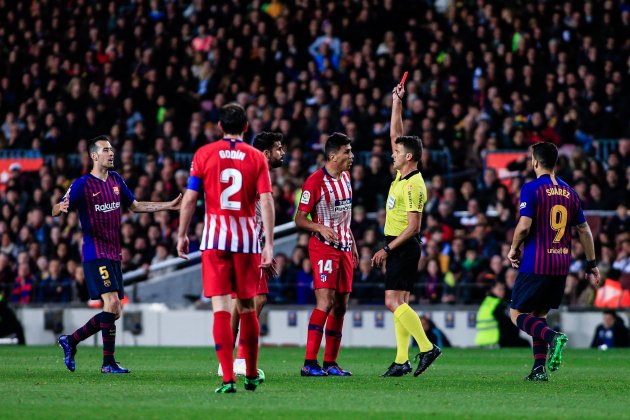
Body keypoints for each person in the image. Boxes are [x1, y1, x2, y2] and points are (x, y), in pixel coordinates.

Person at [55, 135, 182, 374]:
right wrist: (59, 208)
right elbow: (55, 207)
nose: (111, 153)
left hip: (114, 253)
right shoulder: (82, 184)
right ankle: (108, 364)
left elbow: (135, 206)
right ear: (94, 156)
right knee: (111, 303)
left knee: (115, 311)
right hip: (95, 252)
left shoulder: (115, 180)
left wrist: (167, 205)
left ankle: (70, 341)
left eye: (112, 149)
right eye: (105, 150)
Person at [176, 104, 274, 394]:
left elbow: (191, 197)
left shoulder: (204, 154)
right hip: (245, 242)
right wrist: (268, 242)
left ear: (219, 125)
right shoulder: (257, 157)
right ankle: (252, 374)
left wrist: (182, 234)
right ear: (246, 127)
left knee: (220, 307)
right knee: (247, 307)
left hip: (215, 241)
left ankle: (228, 378)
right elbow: (266, 201)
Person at [507, 141, 601, 381]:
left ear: (535, 162)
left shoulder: (531, 189)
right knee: (538, 315)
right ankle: (539, 370)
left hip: (536, 263)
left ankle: (552, 337)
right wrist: (591, 264)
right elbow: (585, 231)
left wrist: (514, 248)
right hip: (560, 265)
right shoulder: (570, 192)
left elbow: (524, 226)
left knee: (516, 314)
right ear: (555, 163)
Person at [372, 82, 441, 378]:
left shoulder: (414, 184)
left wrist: (387, 248)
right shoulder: (402, 175)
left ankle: (427, 347)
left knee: (391, 302)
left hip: (403, 244)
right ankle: (401, 360)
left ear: (409, 157)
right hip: (399, 244)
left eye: (397, 152)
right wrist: (397, 102)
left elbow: (414, 227)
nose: (393, 153)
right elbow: (395, 134)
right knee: (400, 303)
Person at [218, 131, 285, 377]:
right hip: (244, 246)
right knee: (253, 301)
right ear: (266, 153)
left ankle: (230, 359)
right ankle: (240, 360)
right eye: (279, 148)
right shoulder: (253, 173)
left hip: (249, 245)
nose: (283, 152)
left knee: (246, 302)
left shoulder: (251, 171)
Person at [295, 132, 358, 376]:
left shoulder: (347, 178)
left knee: (341, 306)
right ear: (333, 156)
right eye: (347, 152)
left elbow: (345, 217)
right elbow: (299, 219)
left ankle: (331, 363)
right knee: (326, 302)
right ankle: (309, 363)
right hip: (323, 248)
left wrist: (352, 241)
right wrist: (319, 226)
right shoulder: (314, 182)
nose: (351, 156)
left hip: (344, 247)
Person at [475, 281, 529, 348]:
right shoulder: (498, 304)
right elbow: (507, 323)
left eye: (503, 289)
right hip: (496, 341)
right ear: (492, 289)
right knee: (525, 344)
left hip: (482, 341)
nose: (502, 291)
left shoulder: (487, 302)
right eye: (499, 289)